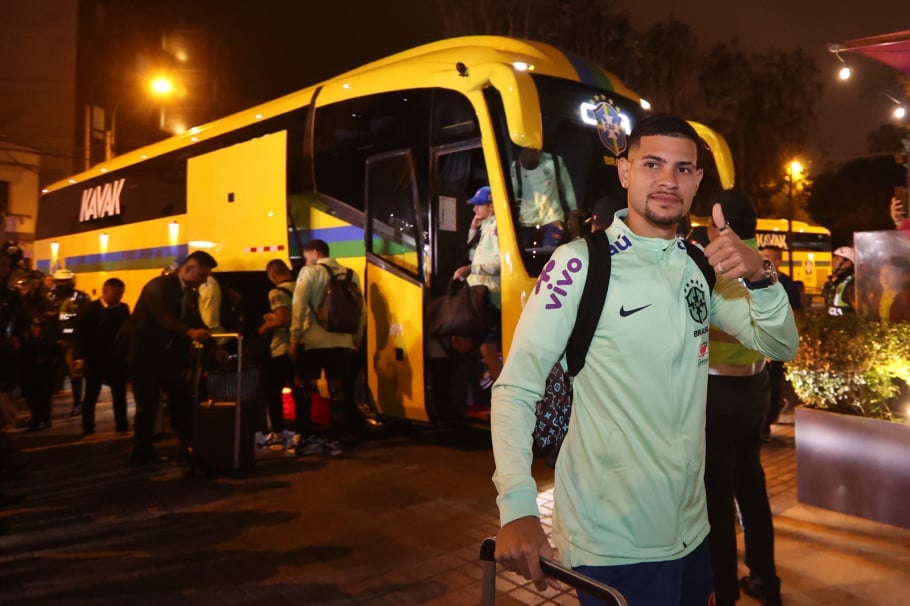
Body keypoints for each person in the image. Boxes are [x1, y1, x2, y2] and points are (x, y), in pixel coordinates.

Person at [490, 114, 798, 606]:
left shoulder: (698, 266)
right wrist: (518, 508)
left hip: (694, 531)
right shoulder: (578, 262)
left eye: (683, 169)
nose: (668, 181)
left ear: (698, 181)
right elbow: (515, 388)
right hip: (612, 544)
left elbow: (779, 345)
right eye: (652, 164)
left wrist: (762, 278)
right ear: (625, 171)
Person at [704, 189, 784, 606]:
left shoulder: (717, 263)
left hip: (717, 397)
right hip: (756, 391)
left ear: (721, 222)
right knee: (752, 487)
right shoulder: (764, 266)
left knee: (716, 499)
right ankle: (765, 579)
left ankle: (723, 588)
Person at [127, 250, 217, 465]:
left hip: (166, 358)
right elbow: (163, 317)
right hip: (144, 357)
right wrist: (190, 332)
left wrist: (214, 347)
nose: (204, 281)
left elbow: (197, 320)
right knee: (147, 405)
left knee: (182, 397)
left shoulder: (190, 293)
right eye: (202, 275)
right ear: (188, 269)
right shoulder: (157, 287)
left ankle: (187, 445)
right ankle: (142, 452)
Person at [289, 240, 364, 457]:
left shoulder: (309, 272)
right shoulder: (351, 274)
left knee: (302, 386)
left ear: (316, 253)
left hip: (312, 340)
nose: (306, 260)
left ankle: (305, 436)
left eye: (307, 255)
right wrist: (357, 336)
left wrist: (295, 337)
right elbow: (361, 307)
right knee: (337, 389)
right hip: (342, 342)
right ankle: (336, 439)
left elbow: (299, 304)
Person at [453, 185, 502, 383]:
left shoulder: (497, 228)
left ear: (492, 206)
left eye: (478, 205)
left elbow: (500, 263)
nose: (474, 209)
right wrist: (473, 228)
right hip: (479, 296)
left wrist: (471, 270)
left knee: (486, 347)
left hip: (490, 297)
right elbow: (474, 256)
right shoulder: (486, 226)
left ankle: (501, 393)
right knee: (473, 344)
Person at [75, 278, 131, 435]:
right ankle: (88, 428)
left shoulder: (123, 309)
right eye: (115, 294)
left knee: (120, 395)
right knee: (91, 396)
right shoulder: (89, 310)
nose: (119, 297)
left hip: (117, 360)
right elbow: (80, 335)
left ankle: (122, 425)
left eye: (121, 294)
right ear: (105, 291)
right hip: (95, 360)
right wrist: (79, 358)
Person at [759, 244, 803, 440]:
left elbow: (795, 313)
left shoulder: (787, 284)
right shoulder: (755, 281)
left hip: (776, 343)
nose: (763, 259)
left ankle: (767, 422)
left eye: (767, 257)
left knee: (773, 383)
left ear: (777, 261)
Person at [256, 259, 299, 450]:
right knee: (299, 391)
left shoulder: (276, 292)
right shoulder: (300, 287)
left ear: (272, 275)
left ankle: (277, 431)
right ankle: (302, 431)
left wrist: (266, 326)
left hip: (281, 348)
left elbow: (283, 319)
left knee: (273, 392)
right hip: (300, 345)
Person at [17, 271, 60, 431]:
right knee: (28, 387)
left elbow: (48, 331)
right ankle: (35, 416)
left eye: (27, 285)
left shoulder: (46, 305)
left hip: (41, 353)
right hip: (26, 351)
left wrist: (43, 353)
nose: (24, 288)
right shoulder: (23, 303)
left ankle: (44, 418)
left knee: (42, 388)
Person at [511, 148, 578, 247]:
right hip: (526, 221)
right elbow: (512, 194)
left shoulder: (554, 162)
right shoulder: (516, 166)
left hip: (552, 219)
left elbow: (567, 187)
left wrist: (573, 211)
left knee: (550, 254)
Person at [49, 268, 91, 417]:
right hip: (52, 340)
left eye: (66, 281)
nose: (63, 284)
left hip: (71, 341)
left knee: (75, 374)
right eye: (60, 281)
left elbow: (86, 320)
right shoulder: (49, 297)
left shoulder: (81, 298)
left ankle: (77, 403)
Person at [868, 256, 910, 323]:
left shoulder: (907, 299)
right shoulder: (878, 297)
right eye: (881, 273)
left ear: (905, 276)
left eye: (890, 272)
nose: (884, 277)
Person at [821, 246, 856, 317]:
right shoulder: (834, 282)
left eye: (837, 258)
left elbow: (859, 312)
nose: (833, 260)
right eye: (834, 257)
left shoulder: (850, 284)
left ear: (848, 263)